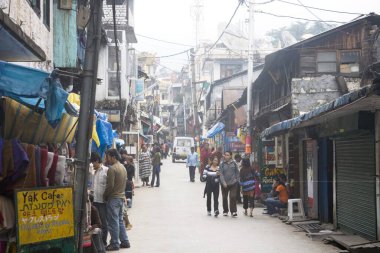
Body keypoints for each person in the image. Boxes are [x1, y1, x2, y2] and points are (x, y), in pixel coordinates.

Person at [103, 149, 130, 250]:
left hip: (113, 198)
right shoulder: (122, 167)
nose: (106, 159)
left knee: (113, 222)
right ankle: (125, 241)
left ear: (113, 157)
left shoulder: (112, 169)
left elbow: (110, 186)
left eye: (108, 157)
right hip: (120, 198)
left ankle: (114, 243)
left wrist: (104, 195)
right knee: (119, 221)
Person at [90, 152, 109, 245]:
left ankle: (104, 242)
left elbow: (109, 186)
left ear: (97, 161)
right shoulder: (92, 172)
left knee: (104, 223)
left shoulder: (106, 170)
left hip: (102, 202)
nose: (92, 165)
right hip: (94, 201)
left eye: (93, 163)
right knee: (97, 223)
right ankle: (99, 242)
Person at [219, 151, 240, 217]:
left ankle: (233, 211)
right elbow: (221, 174)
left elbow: (237, 172)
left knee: (233, 197)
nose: (226, 156)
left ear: (230, 156)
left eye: (228, 155)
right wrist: (223, 182)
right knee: (224, 197)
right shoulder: (222, 164)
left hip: (233, 183)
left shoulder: (234, 163)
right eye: (225, 155)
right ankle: (225, 211)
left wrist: (236, 180)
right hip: (224, 184)